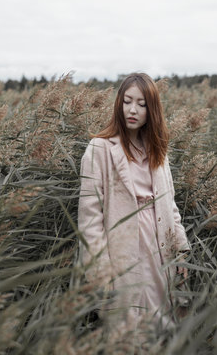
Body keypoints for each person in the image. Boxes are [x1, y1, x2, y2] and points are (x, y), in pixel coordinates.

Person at [77, 73, 190, 330]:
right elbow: (90, 220)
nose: (133, 109)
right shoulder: (99, 149)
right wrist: (100, 273)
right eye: (127, 101)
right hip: (125, 247)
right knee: (129, 327)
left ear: (152, 110)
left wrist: (181, 248)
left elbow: (169, 204)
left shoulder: (157, 149)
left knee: (165, 322)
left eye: (141, 104)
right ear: (119, 103)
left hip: (160, 244)